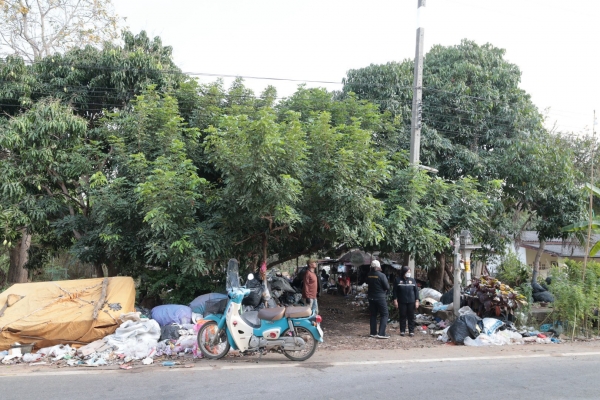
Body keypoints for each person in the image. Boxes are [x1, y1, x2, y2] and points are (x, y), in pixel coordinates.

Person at [393, 266, 420, 337]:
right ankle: (402, 331)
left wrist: (417, 300)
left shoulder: (412, 280)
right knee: (402, 316)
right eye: (408, 272)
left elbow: (416, 291)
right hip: (402, 301)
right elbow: (394, 291)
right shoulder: (398, 280)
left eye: (410, 272)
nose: (409, 273)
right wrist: (395, 300)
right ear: (404, 272)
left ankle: (411, 331)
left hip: (411, 301)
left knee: (411, 316)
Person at [366, 260, 390, 339]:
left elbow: (367, 282)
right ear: (378, 266)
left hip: (371, 297)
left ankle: (373, 332)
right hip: (380, 297)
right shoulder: (381, 275)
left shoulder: (369, 274)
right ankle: (381, 333)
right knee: (385, 314)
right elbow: (387, 287)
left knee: (373, 315)